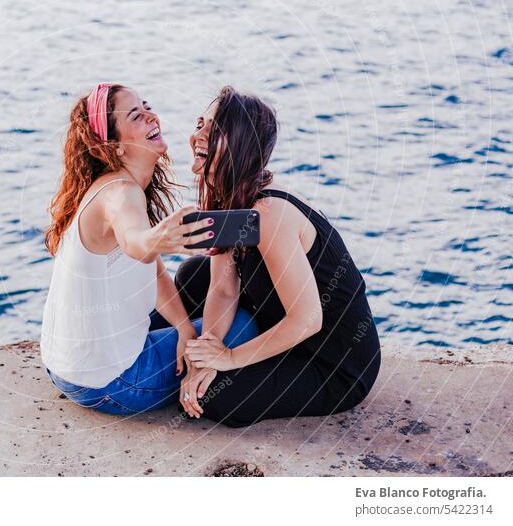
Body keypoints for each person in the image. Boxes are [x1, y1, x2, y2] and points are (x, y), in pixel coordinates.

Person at [40, 83, 260, 415]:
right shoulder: (120, 194)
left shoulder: (111, 187)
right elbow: (136, 244)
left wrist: (186, 331)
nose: (151, 117)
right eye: (136, 116)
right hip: (113, 384)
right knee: (243, 324)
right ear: (114, 146)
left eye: (146, 107)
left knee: (197, 318)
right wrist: (156, 240)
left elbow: (151, 269)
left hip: (65, 369)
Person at [178, 86, 382, 427]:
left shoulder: (269, 212)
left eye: (213, 130)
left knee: (215, 398)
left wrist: (228, 358)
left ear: (242, 144)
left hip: (332, 364)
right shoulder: (230, 197)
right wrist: (206, 353)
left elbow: (307, 320)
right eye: (200, 124)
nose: (197, 135)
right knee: (192, 275)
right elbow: (222, 289)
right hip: (280, 325)